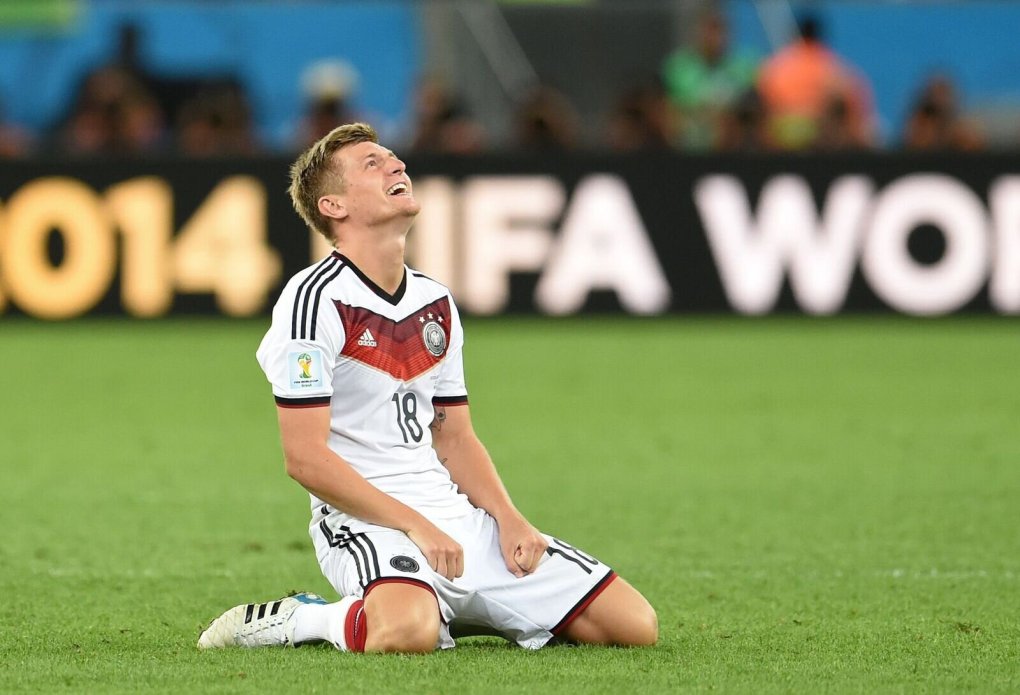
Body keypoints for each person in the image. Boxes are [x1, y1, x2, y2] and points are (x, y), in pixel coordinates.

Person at [197, 123, 658, 653]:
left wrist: (509, 519)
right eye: (372, 164)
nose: (397, 165)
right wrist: (415, 526)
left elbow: (455, 437)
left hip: (453, 517)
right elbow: (305, 459)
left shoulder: (435, 301)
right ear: (333, 206)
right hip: (365, 523)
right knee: (404, 634)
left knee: (632, 627)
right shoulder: (313, 300)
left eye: (393, 157)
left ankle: (452, 608)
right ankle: (306, 618)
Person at [661, 9, 758, 150]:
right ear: (698, 33)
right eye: (710, 30)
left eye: (720, 31)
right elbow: (669, 110)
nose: (716, 38)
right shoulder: (678, 67)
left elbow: (750, 108)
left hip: (730, 141)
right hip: (687, 136)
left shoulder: (743, 66)